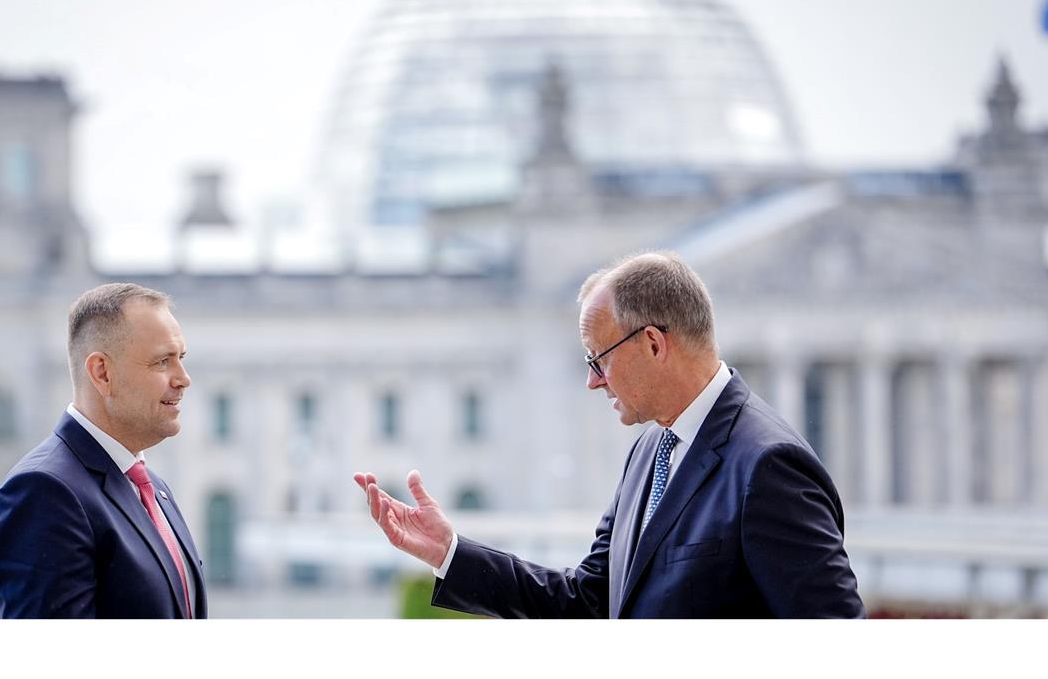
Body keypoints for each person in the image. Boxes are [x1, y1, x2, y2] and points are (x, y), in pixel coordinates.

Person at [355, 251, 865, 618]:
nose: (592, 380)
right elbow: (589, 602)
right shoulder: (651, 450)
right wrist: (450, 552)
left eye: (599, 359)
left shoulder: (767, 465)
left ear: (652, 344)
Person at [0, 283, 206, 618]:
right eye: (162, 362)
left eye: (181, 359)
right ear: (102, 372)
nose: (184, 378)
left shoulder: (153, 488)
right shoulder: (43, 493)